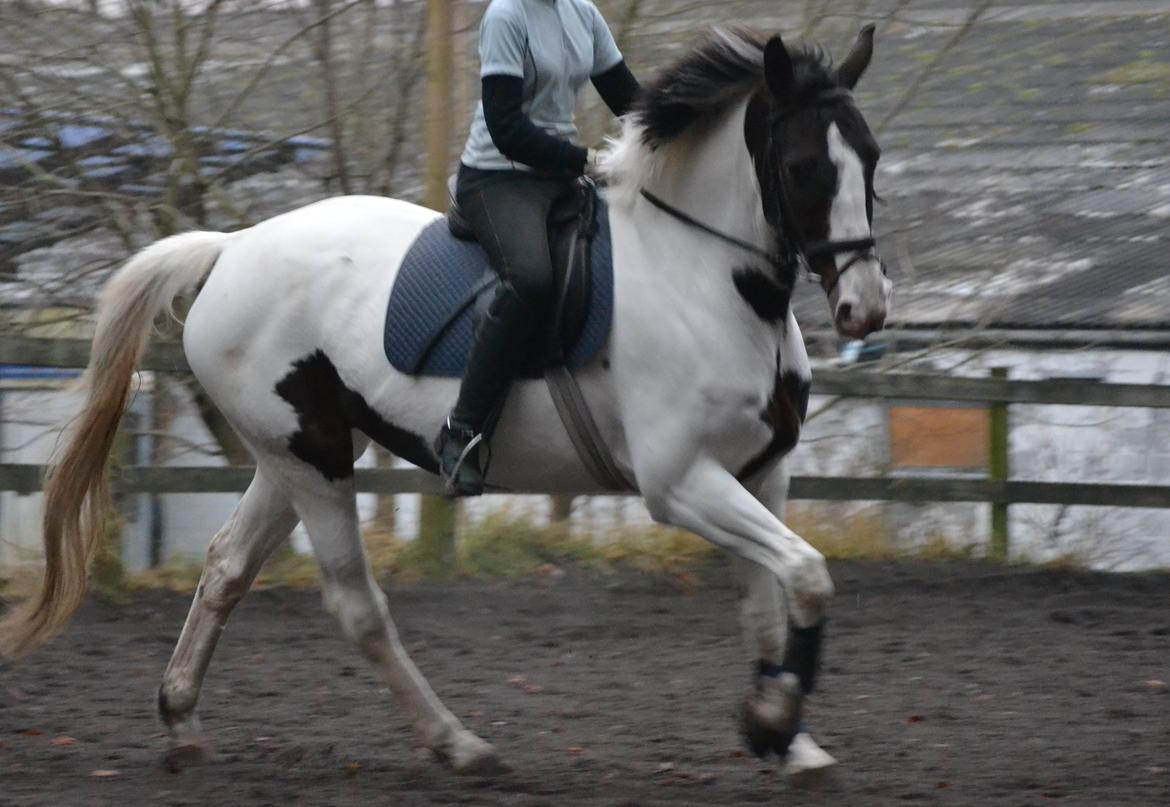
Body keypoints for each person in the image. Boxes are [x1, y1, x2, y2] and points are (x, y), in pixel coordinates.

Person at [435, 0, 641, 496]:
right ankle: (459, 432)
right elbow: (505, 129)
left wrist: (682, 133)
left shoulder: (583, 13)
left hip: (556, 176)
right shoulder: (507, 15)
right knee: (530, 279)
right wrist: (586, 160)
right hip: (498, 178)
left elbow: (630, 99)